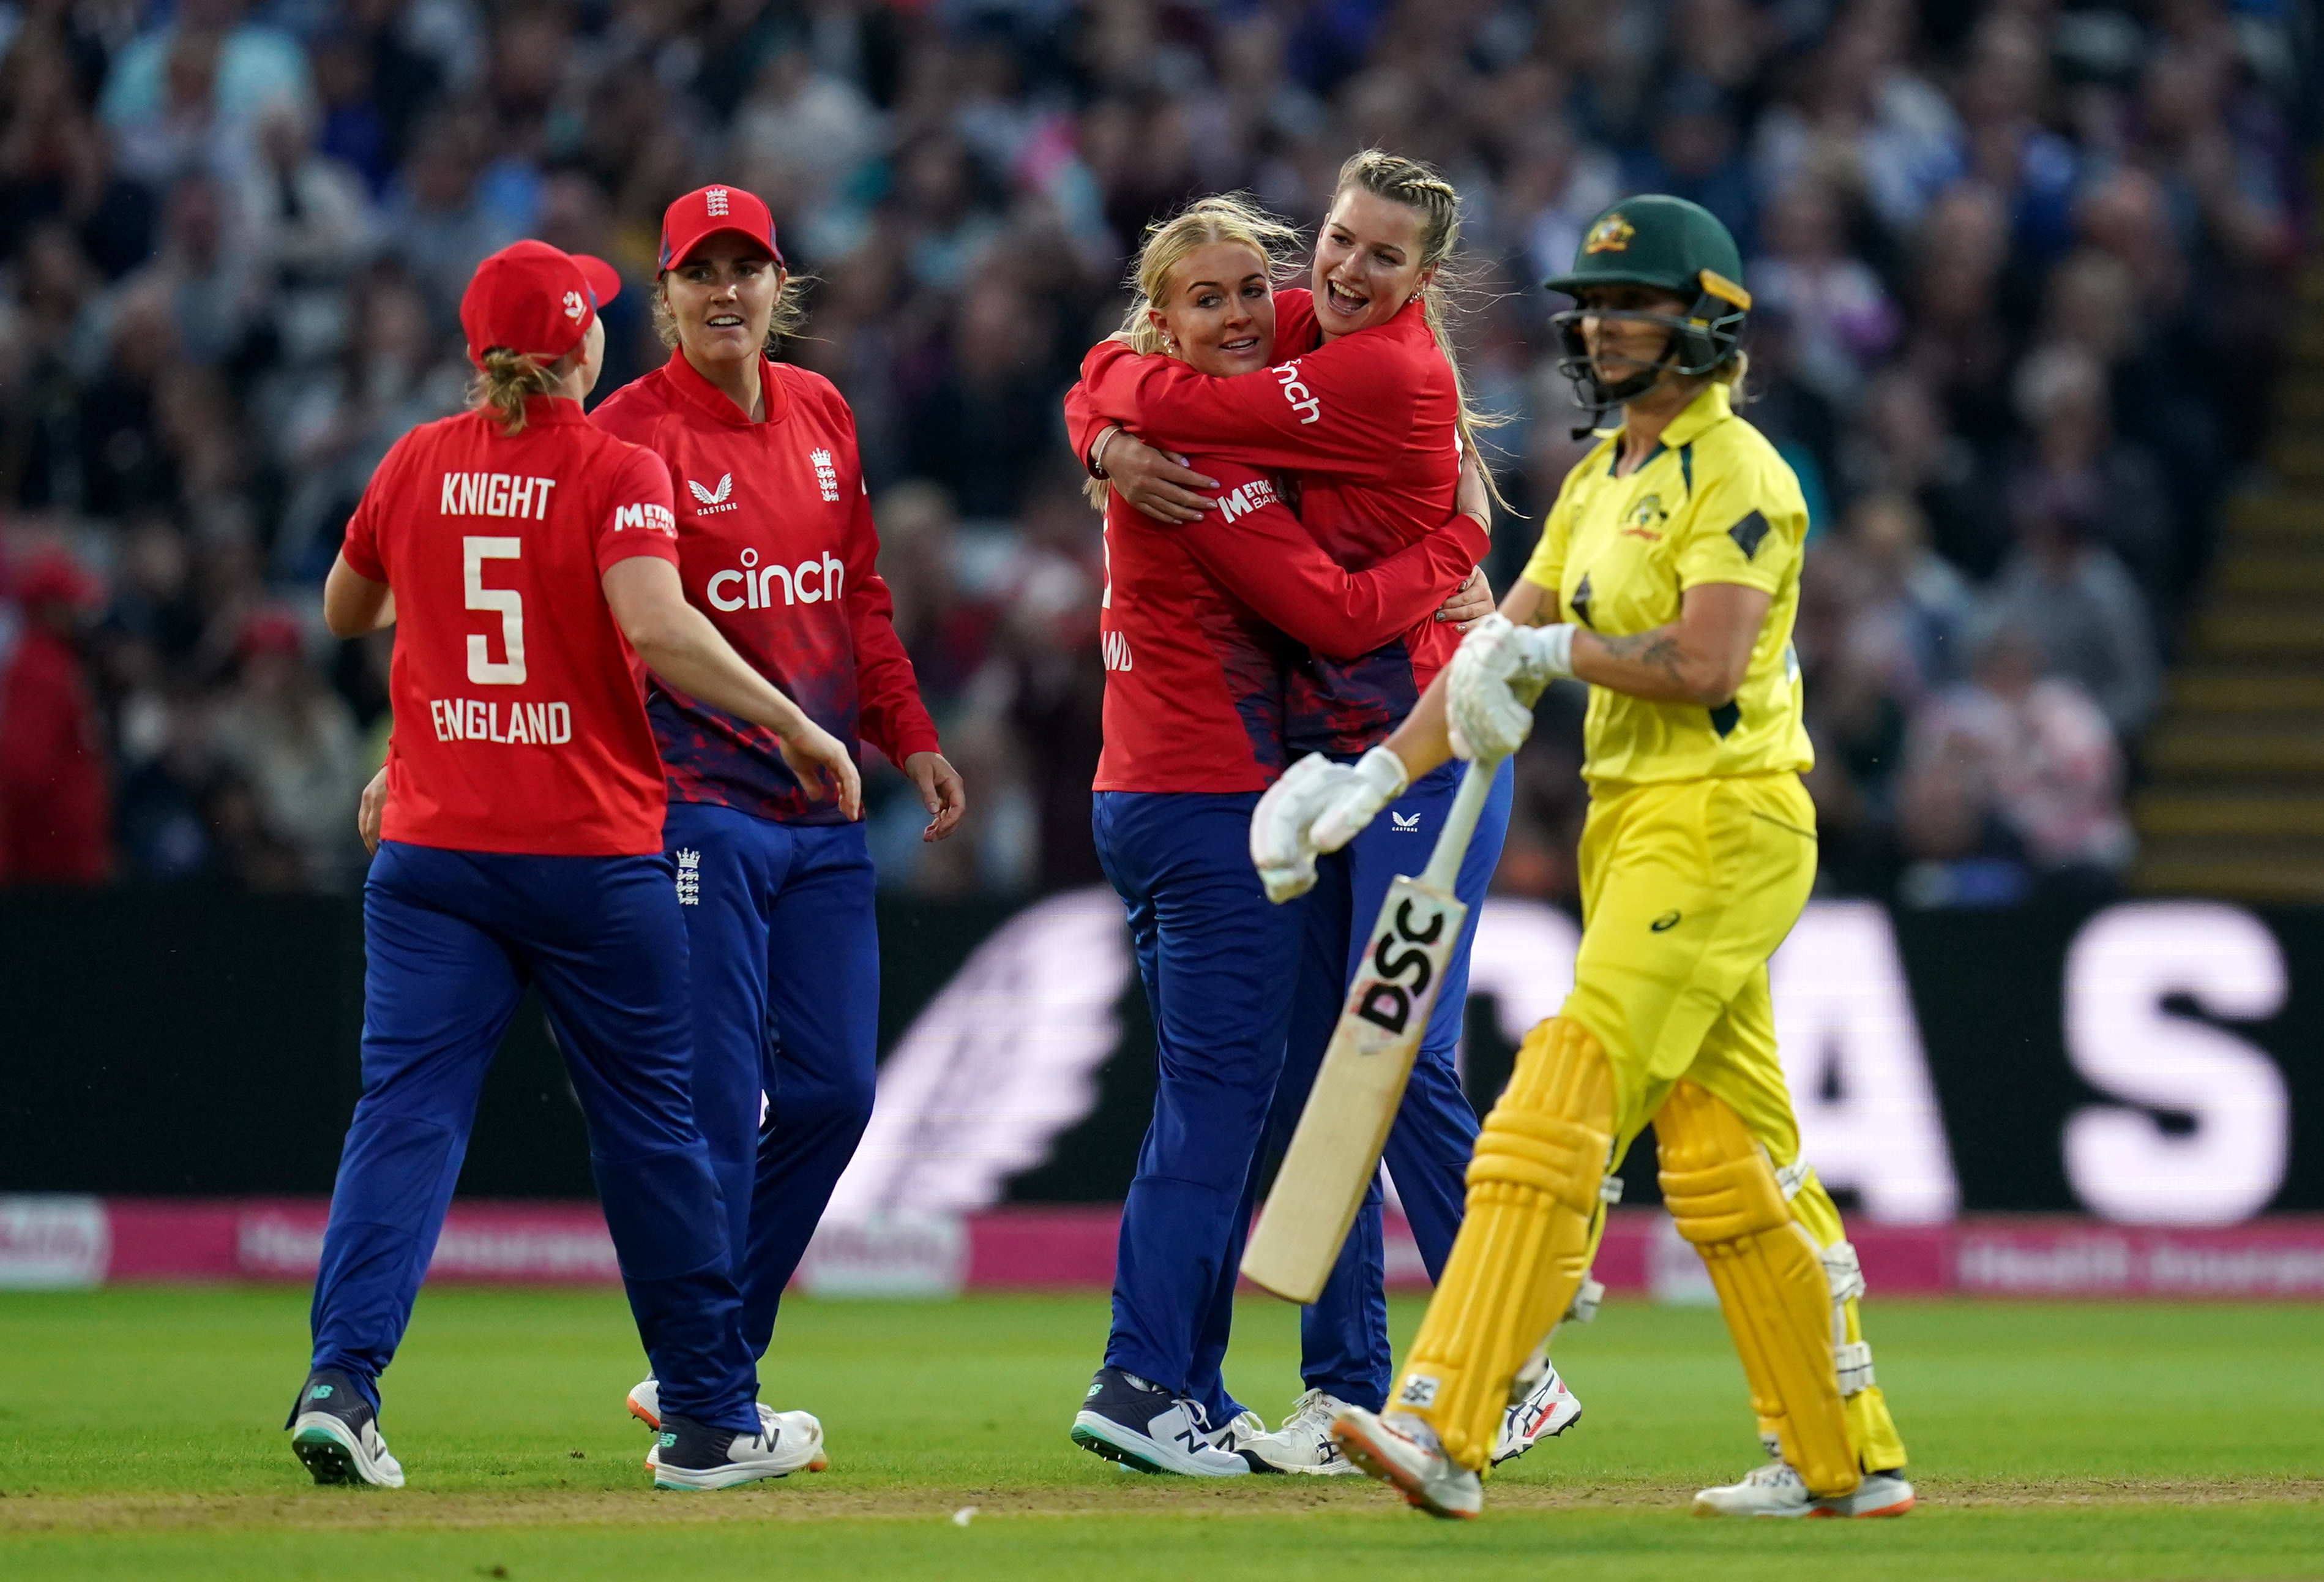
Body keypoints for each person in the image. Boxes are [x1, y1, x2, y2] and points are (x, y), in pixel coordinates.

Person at [1255, 195, 1913, 1520]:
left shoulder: (1744, 477)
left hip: (1727, 818)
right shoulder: (1600, 478)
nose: (1608, 326)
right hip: (1633, 825)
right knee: (1729, 1155)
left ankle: (1448, 1415)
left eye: (1638, 305)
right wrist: (1372, 775)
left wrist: (1556, 656)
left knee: (1556, 1094)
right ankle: (1844, 1455)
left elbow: (1708, 662)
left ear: (1709, 323)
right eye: (1597, 306)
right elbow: (1494, 650)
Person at [297, 239, 860, 1493]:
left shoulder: (416, 460)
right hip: (591, 860)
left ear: (475, 354)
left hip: (435, 856)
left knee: (405, 1118)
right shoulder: (616, 465)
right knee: (653, 1136)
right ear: (584, 348)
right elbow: (659, 627)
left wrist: (444, 596)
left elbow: (345, 609)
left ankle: (343, 1380)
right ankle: (710, 1420)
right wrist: (799, 722)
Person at [1065, 151, 1572, 1474]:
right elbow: (1123, 362)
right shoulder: (1288, 327)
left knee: (1391, 1056)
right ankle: (1347, 1381)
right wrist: (1107, 426)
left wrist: (1469, 550)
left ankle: (1509, 1356)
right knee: (1321, 1074)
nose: (1343, 271)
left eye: (1381, 256)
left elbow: (1171, 394)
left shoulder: (1381, 369)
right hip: (1338, 764)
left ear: (1425, 279)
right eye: (1339, 241)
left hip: (1425, 752)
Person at [587, 186, 964, 1441]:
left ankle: (709, 1350)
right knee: (714, 1106)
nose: (727, 293)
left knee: (839, 1093)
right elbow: (587, 622)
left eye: (748, 270)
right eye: (702, 273)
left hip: (823, 814)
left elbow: (856, 597)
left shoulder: (823, 411)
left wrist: (909, 734)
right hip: (694, 805)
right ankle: (712, 1394)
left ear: (778, 288)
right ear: (666, 298)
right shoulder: (627, 436)